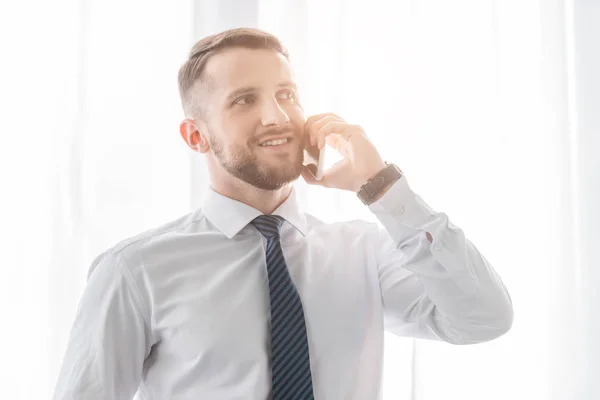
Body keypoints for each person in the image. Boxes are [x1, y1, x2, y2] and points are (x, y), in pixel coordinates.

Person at [53, 28, 513, 400]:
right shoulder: (135, 272)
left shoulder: (365, 252)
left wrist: (380, 187)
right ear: (196, 137)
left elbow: (483, 318)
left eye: (287, 94)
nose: (277, 117)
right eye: (243, 100)